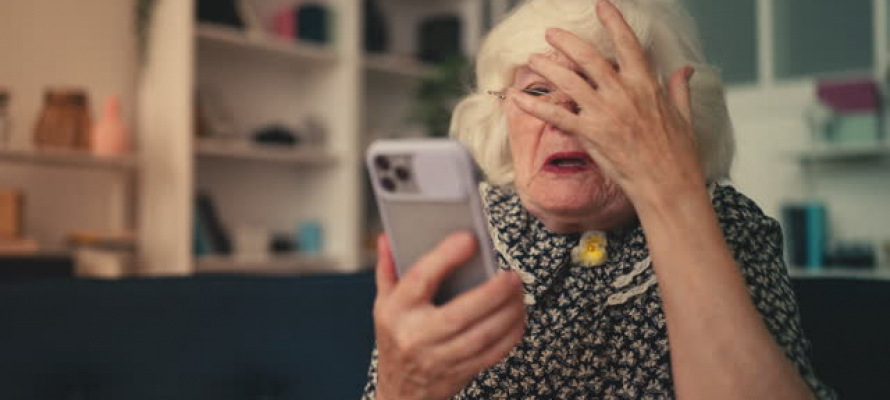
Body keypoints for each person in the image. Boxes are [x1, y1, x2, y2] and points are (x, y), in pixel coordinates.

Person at [362, 0, 836, 399]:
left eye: (603, 90)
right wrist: (402, 389)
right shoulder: (463, 229)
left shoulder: (725, 222)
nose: (564, 113)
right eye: (538, 90)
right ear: (502, 116)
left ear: (669, 120)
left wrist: (668, 190)